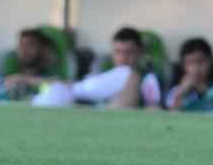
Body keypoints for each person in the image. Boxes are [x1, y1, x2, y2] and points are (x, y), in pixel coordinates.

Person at [33, 26, 162, 108]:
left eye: (129, 52)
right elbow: (76, 87)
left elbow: (153, 107)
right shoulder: (103, 72)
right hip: (77, 102)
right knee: (55, 91)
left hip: (110, 115)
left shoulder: (145, 77)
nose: (123, 57)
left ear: (139, 53)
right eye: (118, 52)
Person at [0, 28, 58, 102]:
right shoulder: (3, 76)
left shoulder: (49, 78)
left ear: (42, 49)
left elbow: (59, 86)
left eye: (30, 45)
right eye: (21, 45)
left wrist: (24, 79)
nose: (24, 50)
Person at [165, 37, 213, 112]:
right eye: (189, 63)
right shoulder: (177, 90)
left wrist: (204, 91)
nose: (195, 68)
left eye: (200, 62)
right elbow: (171, 116)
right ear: (183, 66)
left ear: (210, 61)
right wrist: (181, 93)